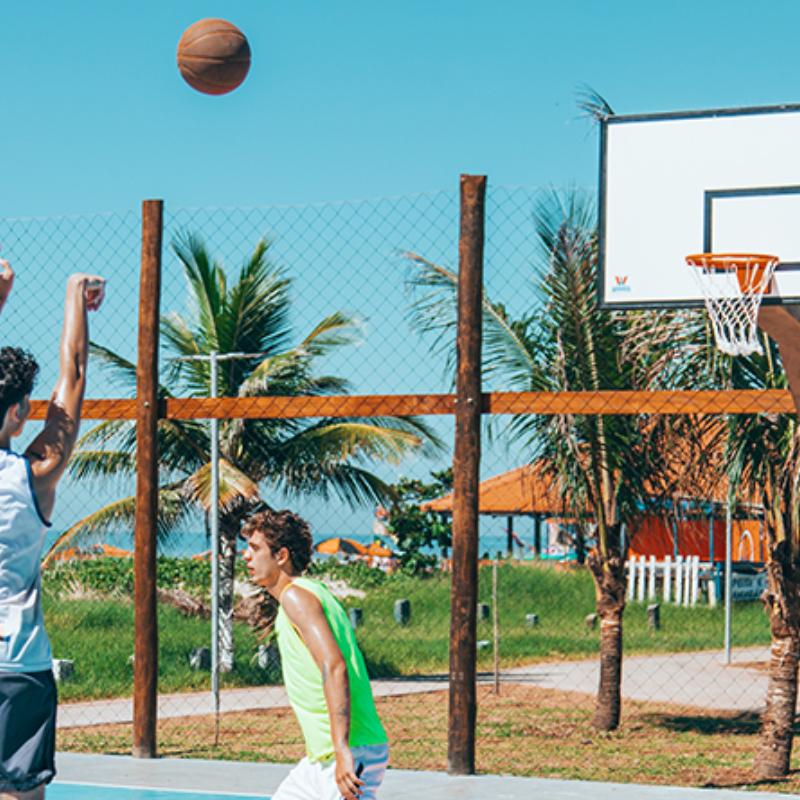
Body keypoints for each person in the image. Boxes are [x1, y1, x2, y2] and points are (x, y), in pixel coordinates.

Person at [0, 271, 105, 799]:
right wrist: (73, 295)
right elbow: (76, 375)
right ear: (19, 415)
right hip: (17, 667)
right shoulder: (34, 475)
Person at [241, 509, 388, 800]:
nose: (246, 556)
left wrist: (342, 749)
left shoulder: (297, 597)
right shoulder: (310, 594)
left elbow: (334, 666)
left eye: (255, 548)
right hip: (322, 757)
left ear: (281, 556)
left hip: (346, 750)